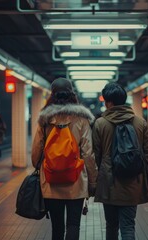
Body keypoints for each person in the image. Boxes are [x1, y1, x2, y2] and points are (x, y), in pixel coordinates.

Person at [31, 78, 98, 240]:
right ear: (72, 95)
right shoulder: (82, 119)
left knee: (57, 228)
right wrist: (93, 182)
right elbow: (88, 153)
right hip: (76, 181)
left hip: (51, 180)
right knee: (73, 225)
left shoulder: (44, 120)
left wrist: (38, 165)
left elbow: (36, 151)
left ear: (52, 95)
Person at [92, 82, 148, 240]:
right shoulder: (139, 122)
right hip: (133, 182)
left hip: (109, 184)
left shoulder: (100, 124)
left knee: (111, 225)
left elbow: (95, 156)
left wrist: (94, 184)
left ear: (109, 102)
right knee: (128, 226)